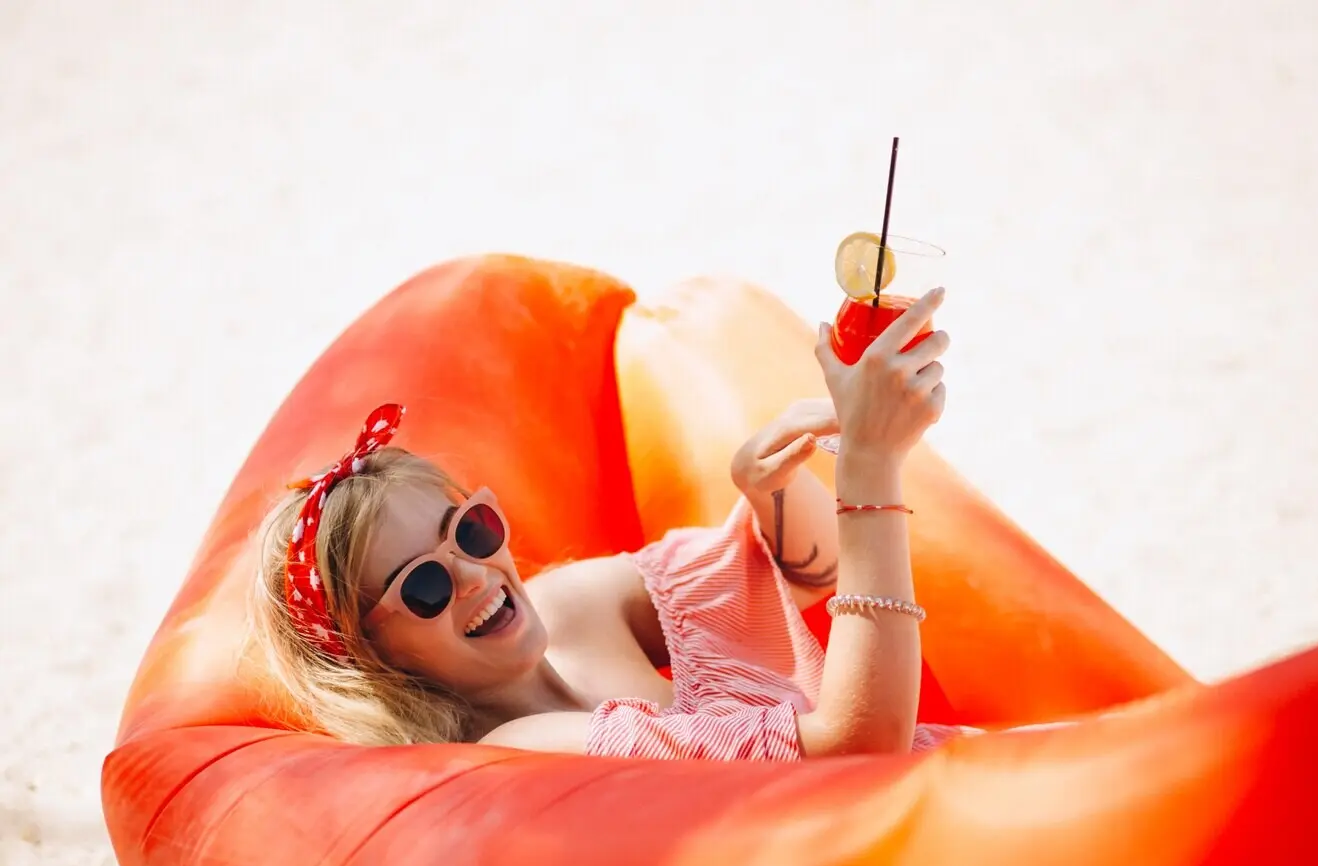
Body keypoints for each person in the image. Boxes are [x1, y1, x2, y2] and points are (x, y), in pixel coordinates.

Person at [247, 288, 979, 759]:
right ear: (372, 658)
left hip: (940, 777)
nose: (476, 576)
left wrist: (772, 486)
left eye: (470, 530)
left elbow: (812, 577)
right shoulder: (526, 746)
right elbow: (855, 750)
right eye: (425, 585)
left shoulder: (571, 603)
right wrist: (870, 471)